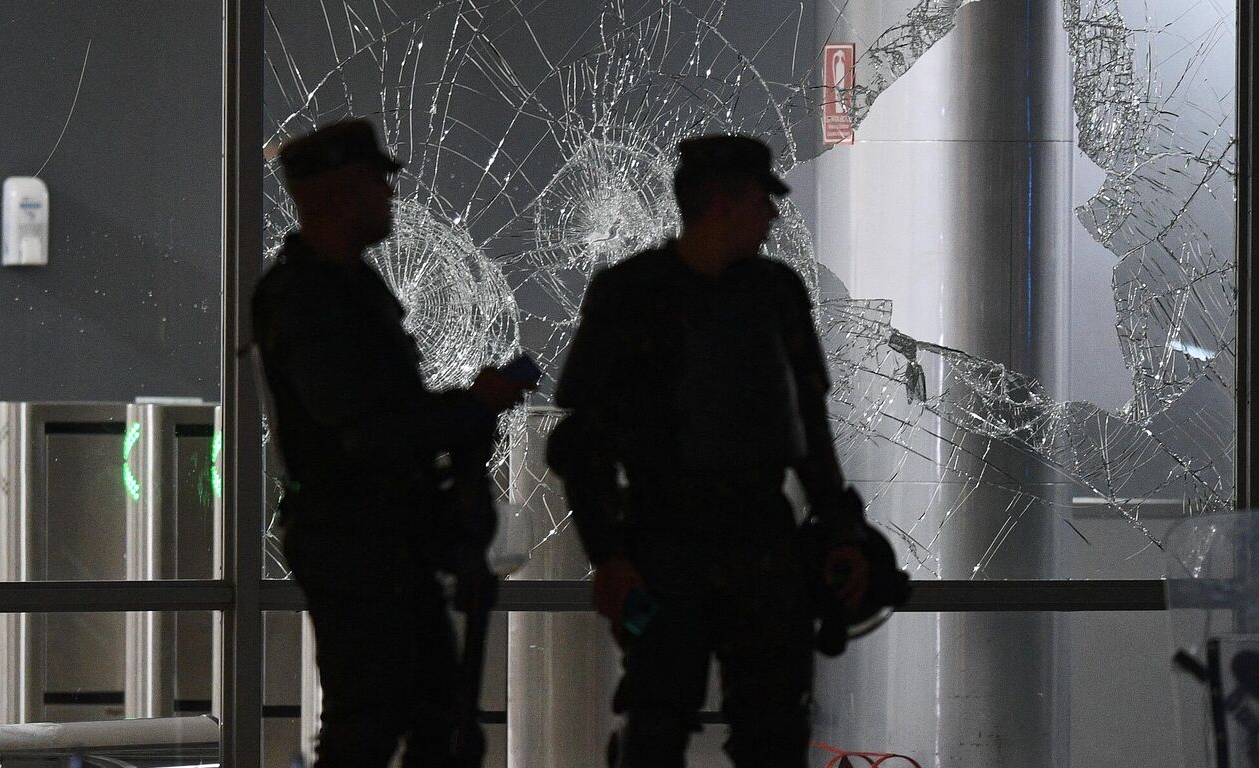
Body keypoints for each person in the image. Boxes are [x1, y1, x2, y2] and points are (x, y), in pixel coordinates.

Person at [549, 134, 871, 768]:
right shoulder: (631, 294)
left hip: (757, 539)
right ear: (726, 204)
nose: (774, 216)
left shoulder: (775, 293)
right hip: (667, 542)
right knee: (657, 721)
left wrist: (840, 530)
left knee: (774, 727)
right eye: (763, 201)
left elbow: (808, 427)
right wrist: (609, 555)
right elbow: (583, 441)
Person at [252, 118, 531, 768]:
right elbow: (367, 431)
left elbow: (389, 415)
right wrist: (471, 408)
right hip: (353, 543)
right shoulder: (306, 300)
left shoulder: (355, 287)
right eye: (377, 182)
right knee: (368, 727)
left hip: (394, 539)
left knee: (440, 723)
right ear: (338, 195)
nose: (389, 196)